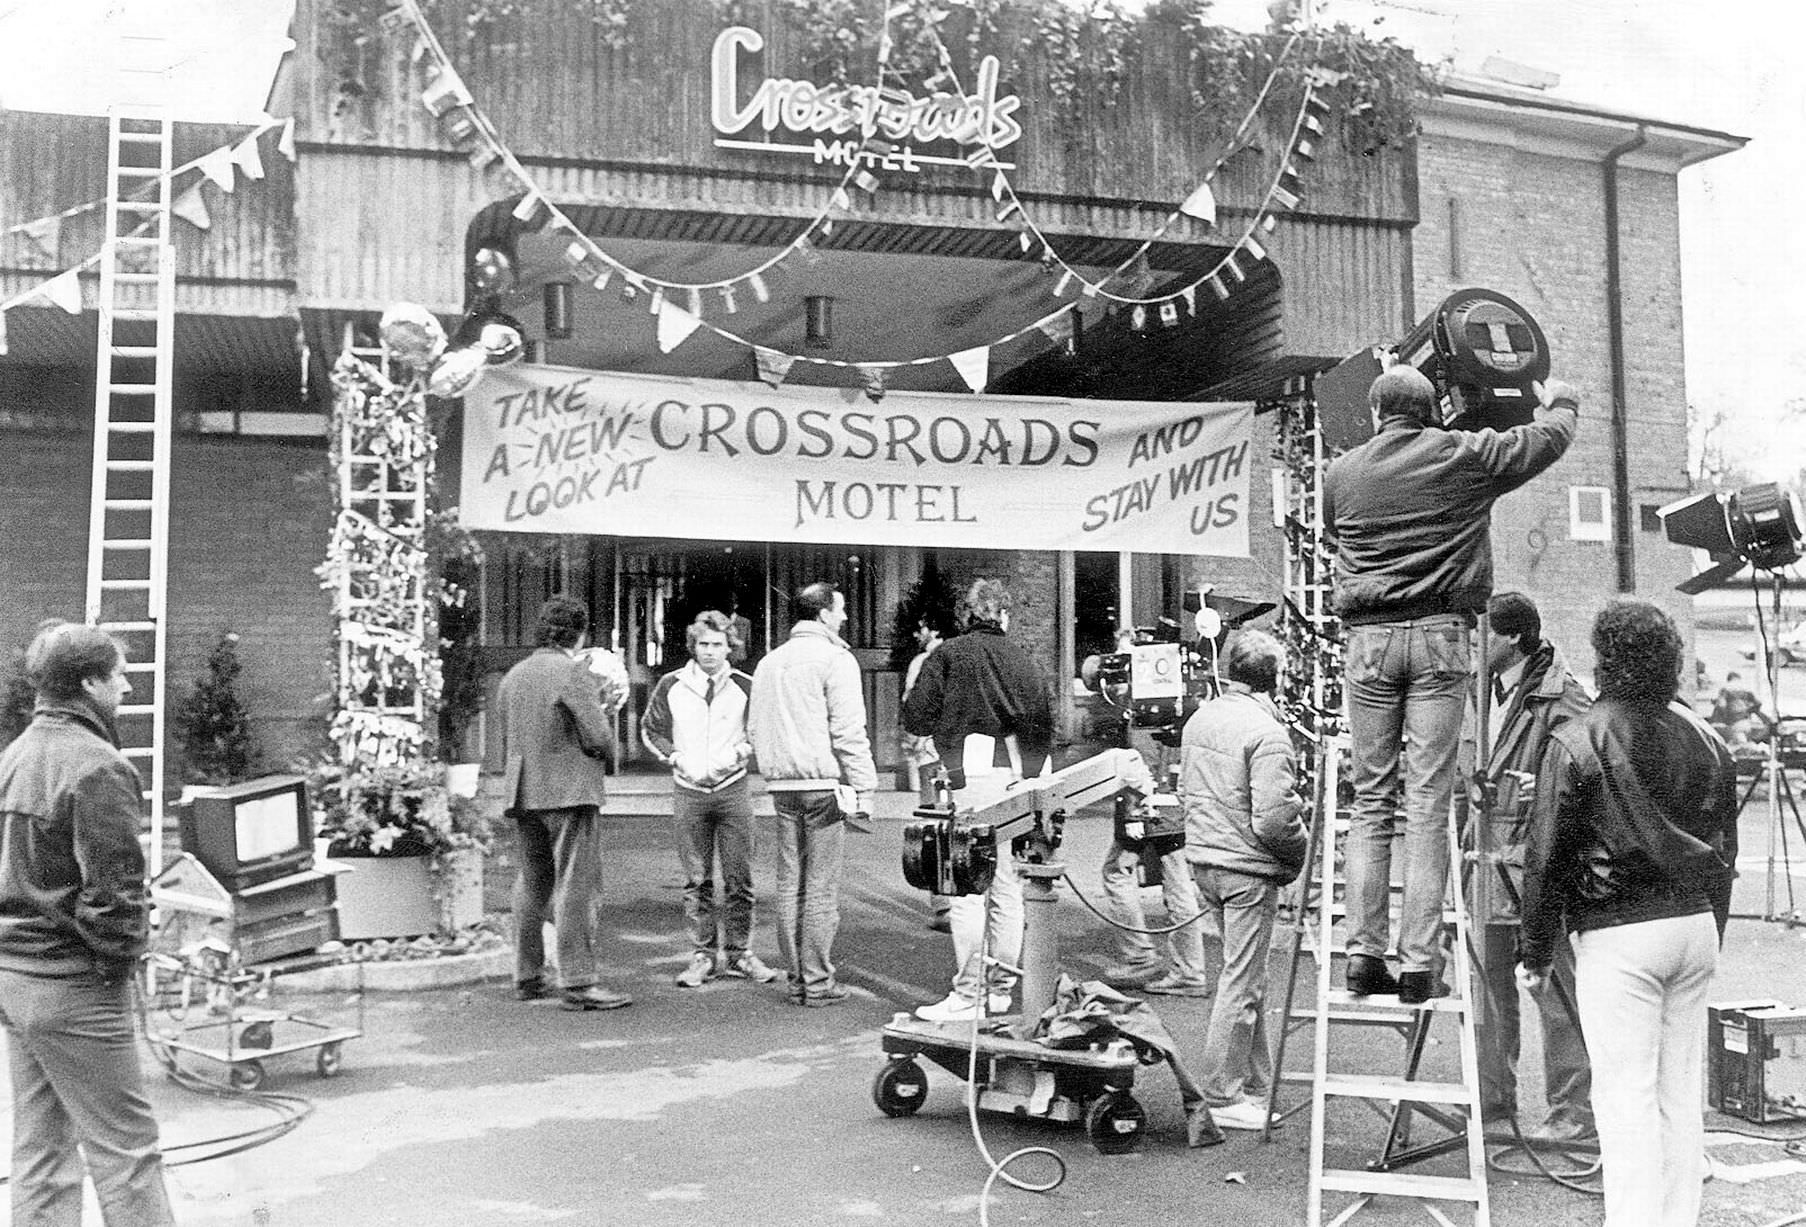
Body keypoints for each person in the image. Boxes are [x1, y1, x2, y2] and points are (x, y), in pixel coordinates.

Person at [1324, 365, 1580, 1003]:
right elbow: (1544, 441)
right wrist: (1562, 402)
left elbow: (1337, 532)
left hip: (1368, 643)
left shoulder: (1341, 472)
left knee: (1371, 800)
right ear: (1433, 407)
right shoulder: (1464, 456)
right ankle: (1417, 963)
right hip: (1441, 635)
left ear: (1378, 412)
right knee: (1428, 800)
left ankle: (1361, 955)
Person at [1517, 598, 1738, 1227]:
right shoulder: (1707, 736)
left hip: (1620, 928)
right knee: (1677, 1093)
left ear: (1604, 655)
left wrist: (1534, 953)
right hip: (1693, 922)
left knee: (1625, 1096)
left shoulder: (1577, 736)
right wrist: (1710, 929)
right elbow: (1729, 848)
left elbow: (1547, 855)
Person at [0, 621, 176, 1225]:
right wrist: (118, 962)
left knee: (41, 1152)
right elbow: (114, 896)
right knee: (125, 1152)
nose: (127, 687)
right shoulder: (97, 766)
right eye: (121, 675)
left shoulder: (14, 758)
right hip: (75, 986)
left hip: (15, 980)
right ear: (90, 682)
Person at [1465, 592, 1594, 1142]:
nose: (1473, 647)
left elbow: (1586, 778)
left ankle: (1572, 1114)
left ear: (1512, 637)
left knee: (1555, 989)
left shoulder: (1564, 699)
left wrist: (1538, 789)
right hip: (1487, 864)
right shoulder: (1481, 690)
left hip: (1537, 866)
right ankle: (1494, 1105)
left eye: (1482, 636)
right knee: (1490, 990)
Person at [903, 578, 1054, 1024]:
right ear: (1005, 615)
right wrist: (1028, 779)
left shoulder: (947, 654)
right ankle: (1001, 989)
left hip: (967, 777)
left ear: (969, 614)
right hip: (1015, 779)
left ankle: (969, 993)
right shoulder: (1024, 660)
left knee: (967, 889)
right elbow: (1042, 724)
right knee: (1007, 887)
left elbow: (916, 716)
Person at [1177, 629, 1307, 1130]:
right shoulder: (1268, 733)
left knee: (1245, 976)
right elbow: (1274, 819)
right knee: (1242, 979)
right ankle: (1223, 1095)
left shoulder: (1201, 718)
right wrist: (1299, 857)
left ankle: (1254, 1084)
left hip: (1206, 859)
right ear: (1273, 679)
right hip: (1246, 868)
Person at [488, 595, 630, 1011]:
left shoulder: (514, 675)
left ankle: (527, 975)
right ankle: (579, 982)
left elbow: (509, 729)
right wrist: (604, 724)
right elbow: (599, 736)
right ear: (579, 632)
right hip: (569, 791)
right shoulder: (572, 673)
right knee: (576, 884)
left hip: (523, 790)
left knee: (532, 881)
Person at [748, 581, 877, 1007]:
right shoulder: (836, 659)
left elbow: (754, 728)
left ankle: (797, 980)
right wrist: (865, 787)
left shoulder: (769, 662)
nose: (843, 618)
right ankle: (818, 982)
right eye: (839, 610)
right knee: (820, 888)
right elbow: (848, 731)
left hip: (782, 786)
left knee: (791, 884)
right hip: (824, 786)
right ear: (823, 614)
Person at [642, 610, 778, 988]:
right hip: (689, 791)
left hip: (732, 790)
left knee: (740, 878)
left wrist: (740, 753)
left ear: (729, 647)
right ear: (693, 646)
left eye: (717, 645)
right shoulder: (672, 683)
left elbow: (762, 728)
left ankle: (739, 954)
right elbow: (651, 728)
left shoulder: (745, 685)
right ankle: (702, 955)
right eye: (703, 644)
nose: (709, 652)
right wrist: (674, 757)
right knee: (697, 879)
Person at [899, 611, 953, 931]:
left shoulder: (921, 663)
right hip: (961, 755)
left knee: (935, 826)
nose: (917, 633)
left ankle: (943, 905)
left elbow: (912, 709)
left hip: (931, 757)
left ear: (933, 628)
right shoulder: (963, 658)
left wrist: (913, 747)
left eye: (921, 626)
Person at [1709, 671, 1767, 749]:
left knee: (1738, 745)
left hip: (1733, 722)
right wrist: (1748, 711)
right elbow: (1758, 703)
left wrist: (1724, 716)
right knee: (1744, 742)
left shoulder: (1725, 689)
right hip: (1745, 722)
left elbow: (1721, 705)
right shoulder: (1746, 689)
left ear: (1729, 680)